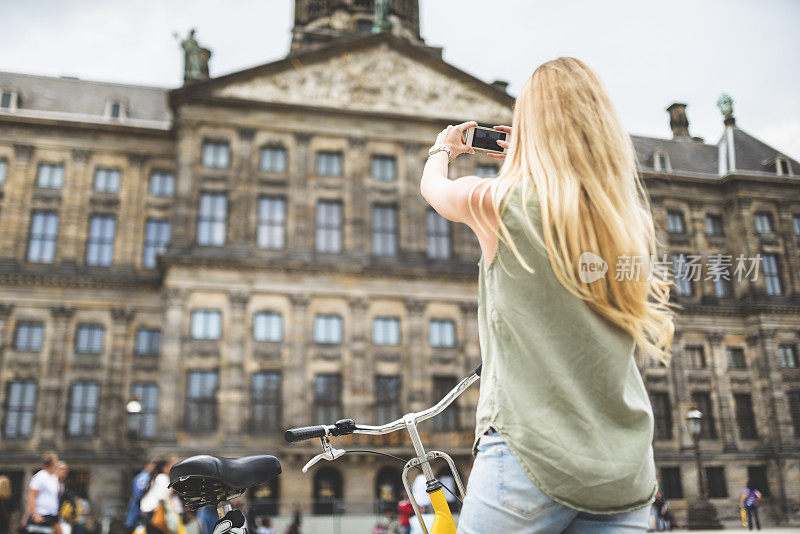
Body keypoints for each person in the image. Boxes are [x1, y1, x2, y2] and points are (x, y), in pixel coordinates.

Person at [420, 57, 674, 533]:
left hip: (528, 458)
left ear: (528, 125)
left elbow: (434, 189)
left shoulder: (500, 201)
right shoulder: (631, 222)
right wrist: (539, 159)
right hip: (625, 470)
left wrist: (443, 149)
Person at [22, 452, 63, 534]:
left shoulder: (54, 477)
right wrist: (34, 514)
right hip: (42, 514)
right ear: (52, 463)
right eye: (56, 461)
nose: (58, 463)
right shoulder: (40, 477)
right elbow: (32, 495)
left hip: (53, 514)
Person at [125, 460, 155, 533]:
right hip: (138, 510)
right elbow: (138, 495)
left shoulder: (143, 477)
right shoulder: (144, 478)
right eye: (152, 466)